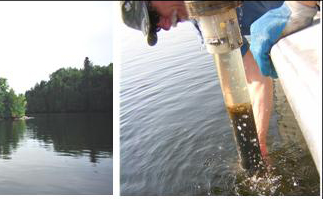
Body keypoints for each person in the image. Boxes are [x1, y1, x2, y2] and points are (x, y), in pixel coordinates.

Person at [121, 1, 319, 158]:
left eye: (154, 16)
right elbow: (255, 76)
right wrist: (258, 142)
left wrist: (299, 5)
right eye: (156, 28)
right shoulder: (206, 24)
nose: (165, 26)